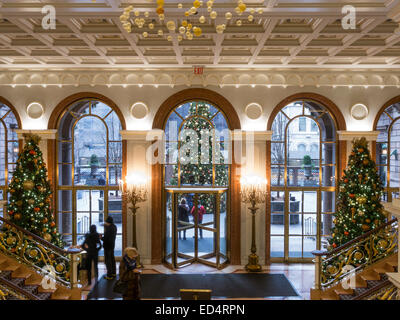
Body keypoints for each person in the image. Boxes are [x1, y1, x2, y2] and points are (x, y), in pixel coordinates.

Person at [102, 216, 117, 280]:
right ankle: (114, 273)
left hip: (107, 246)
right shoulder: (114, 227)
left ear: (108, 222)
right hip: (112, 245)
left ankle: (109, 275)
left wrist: (101, 237)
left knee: (108, 261)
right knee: (112, 259)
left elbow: (106, 239)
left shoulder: (108, 229)